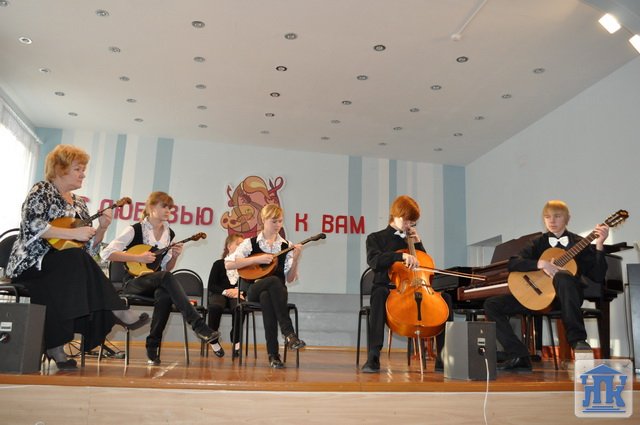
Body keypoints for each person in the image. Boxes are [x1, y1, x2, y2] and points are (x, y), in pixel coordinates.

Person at [6, 144, 149, 370]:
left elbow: (89, 249)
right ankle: (116, 308)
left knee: (75, 260)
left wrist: (102, 227)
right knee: (73, 261)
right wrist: (73, 233)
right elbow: (33, 225)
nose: (83, 174)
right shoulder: (42, 190)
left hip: (67, 265)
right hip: (33, 263)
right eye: (78, 169)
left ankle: (56, 346)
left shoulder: (80, 203)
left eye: (84, 169)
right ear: (60, 169)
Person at [483, 200, 609, 371]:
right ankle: (518, 355)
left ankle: (578, 341)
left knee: (562, 276)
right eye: (547, 217)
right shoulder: (538, 242)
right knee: (492, 304)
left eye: (557, 216)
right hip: (539, 296)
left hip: (565, 299)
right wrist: (541, 264)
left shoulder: (580, 243)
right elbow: (513, 263)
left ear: (567, 219)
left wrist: (600, 245)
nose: (552, 221)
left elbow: (598, 276)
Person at [101, 191, 220, 365]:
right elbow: (106, 253)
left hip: (155, 281)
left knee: (164, 294)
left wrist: (174, 257)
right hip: (133, 282)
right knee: (165, 280)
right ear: (151, 207)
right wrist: (137, 257)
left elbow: (165, 268)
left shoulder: (169, 234)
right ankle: (199, 326)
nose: (168, 211)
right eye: (164, 206)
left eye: (170, 208)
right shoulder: (134, 229)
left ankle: (153, 345)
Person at [362, 195, 453, 373]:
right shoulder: (375, 238)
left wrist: (418, 245)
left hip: (415, 288)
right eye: (406, 220)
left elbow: (425, 265)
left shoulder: (411, 239)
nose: (409, 225)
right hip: (387, 288)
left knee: (446, 299)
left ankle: (443, 357)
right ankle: (373, 356)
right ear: (395, 215)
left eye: (412, 222)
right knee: (378, 294)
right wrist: (400, 256)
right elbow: (374, 261)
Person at [225, 204, 306, 368]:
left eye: (280, 221)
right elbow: (229, 264)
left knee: (267, 296)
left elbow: (290, 279)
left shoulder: (286, 246)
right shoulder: (250, 243)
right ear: (263, 220)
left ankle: (273, 355)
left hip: (276, 295)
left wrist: (296, 258)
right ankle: (288, 333)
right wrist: (256, 259)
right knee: (274, 281)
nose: (278, 225)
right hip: (253, 290)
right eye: (274, 221)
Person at [207, 233, 245, 358]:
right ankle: (213, 340)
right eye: (238, 244)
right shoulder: (218, 264)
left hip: (237, 294)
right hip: (220, 293)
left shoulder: (245, 266)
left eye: (243, 246)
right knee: (215, 307)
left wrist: (239, 291)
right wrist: (226, 291)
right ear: (229, 246)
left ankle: (236, 339)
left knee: (239, 308)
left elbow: (248, 284)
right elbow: (212, 285)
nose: (241, 248)